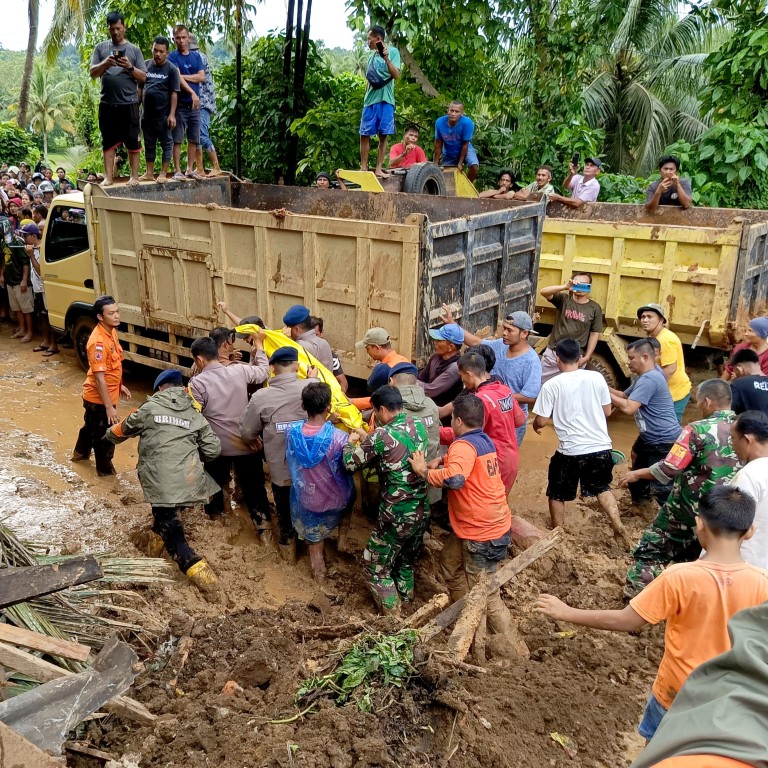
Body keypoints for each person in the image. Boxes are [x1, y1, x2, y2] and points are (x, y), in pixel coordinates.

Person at [538, 485, 768, 742]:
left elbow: (627, 620)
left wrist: (567, 612)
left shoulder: (678, 577)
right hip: (728, 699)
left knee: (657, 753)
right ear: (749, 532)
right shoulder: (762, 582)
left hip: (676, 692)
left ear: (699, 525)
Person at [409, 392, 529, 658]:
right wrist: (442, 460)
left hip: (481, 534)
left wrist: (423, 471)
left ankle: (517, 651)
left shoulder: (463, 447)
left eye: (451, 419)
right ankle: (466, 616)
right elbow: (463, 465)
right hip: (488, 525)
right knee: (449, 563)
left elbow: (456, 480)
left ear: (459, 421)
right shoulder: (482, 441)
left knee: (486, 594)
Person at [105, 369, 221, 594]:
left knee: (176, 539)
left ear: (160, 388)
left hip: (160, 481)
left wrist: (107, 434)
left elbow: (120, 431)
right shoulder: (194, 413)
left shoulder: (148, 409)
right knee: (163, 520)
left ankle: (206, 580)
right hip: (190, 481)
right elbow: (214, 449)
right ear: (181, 387)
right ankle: (151, 554)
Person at [621, 379, 739, 597]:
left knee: (651, 550)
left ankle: (636, 603)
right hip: (729, 512)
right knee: (698, 559)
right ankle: (690, 601)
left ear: (707, 401)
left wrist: (637, 473)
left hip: (687, 510)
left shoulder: (696, 429)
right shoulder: (745, 430)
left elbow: (669, 467)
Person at [629, 601, 768, 768]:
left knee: (657, 743)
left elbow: (630, 618)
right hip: (722, 696)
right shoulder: (762, 580)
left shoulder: (678, 576)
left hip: (682, 689)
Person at [532, 338, 629, 543]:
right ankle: (617, 524)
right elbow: (607, 412)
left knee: (557, 493)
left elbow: (540, 420)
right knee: (603, 488)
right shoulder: (596, 378)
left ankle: (559, 533)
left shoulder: (551, 385)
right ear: (580, 358)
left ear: (557, 359)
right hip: (601, 447)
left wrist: (536, 426)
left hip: (570, 452)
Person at [342, 385, 429, 614]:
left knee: (375, 566)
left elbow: (351, 463)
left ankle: (395, 618)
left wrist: (351, 442)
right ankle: (409, 605)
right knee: (405, 564)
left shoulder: (381, 435)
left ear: (381, 410)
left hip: (396, 514)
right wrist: (369, 438)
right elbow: (395, 451)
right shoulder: (417, 425)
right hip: (420, 510)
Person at [240, 345, 319, 560]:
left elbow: (246, 433)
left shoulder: (261, 397)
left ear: (272, 368)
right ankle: (315, 552)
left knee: (284, 513)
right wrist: (313, 379)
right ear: (296, 365)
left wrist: (258, 439)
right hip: (312, 470)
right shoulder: (312, 386)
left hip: (281, 471)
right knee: (311, 510)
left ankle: (288, 554)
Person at [188, 335, 272, 533]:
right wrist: (259, 347)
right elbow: (264, 372)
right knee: (255, 491)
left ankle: (218, 527)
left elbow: (194, 418)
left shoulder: (197, 384)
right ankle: (264, 530)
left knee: (214, 489)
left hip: (217, 448)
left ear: (199, 360)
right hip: (248, 444)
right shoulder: (239, 370)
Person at [441, 306, 542, 445]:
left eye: (509, 330)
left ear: (524, 333)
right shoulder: (500, 345)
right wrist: (453, 325)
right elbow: (476, 342)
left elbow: (531, 397)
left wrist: (497, 397)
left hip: (510, 420)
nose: (504, 333)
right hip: (488, 415)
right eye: (504, 328)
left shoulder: (531, 361)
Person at [285, 381, 354, 578]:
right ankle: (342, 540)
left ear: (303, 406)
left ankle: (319, 576)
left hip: (308, 500)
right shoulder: (340, 438)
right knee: (351, 494)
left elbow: (310, 436)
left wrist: (327, 421)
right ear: (329, 407)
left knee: (314, 538)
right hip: (337, 499)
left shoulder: (291, 432)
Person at [611, 339, 683, 506]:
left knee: (662, 485)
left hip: (663, 440)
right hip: (649, 437)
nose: (628, 362)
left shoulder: (650, 379)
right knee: (636, 477)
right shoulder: (645, 376)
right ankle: (641, 509)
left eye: (631, 358)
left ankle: (667, 521)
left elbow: (629, 407)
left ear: (644, 357)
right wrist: (601, 386)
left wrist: (604, 394)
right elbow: (624, 396)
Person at [444, 349, 525, 495]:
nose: (461, 380)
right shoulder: (504, 390)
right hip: (511, 457)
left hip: (493, 461)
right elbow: (520, 420)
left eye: (461, 376)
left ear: (468, 374)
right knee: (501, 503)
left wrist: (436, 433)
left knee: (488, 507)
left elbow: (468, 434)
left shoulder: (479, 401)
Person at [71, 296, 131, 475]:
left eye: (117, 311)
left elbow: (113, 366)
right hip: (98, 399)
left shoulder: (111, 332)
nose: (116, 316)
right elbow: (99, 378)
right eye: (111, 313)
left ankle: (79, 454)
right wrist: (109, 408)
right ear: (100, 316)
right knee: (105, 437)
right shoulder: (98, 342)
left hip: (106, 394)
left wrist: (120, 385)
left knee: (90, 426)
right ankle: (106, 474)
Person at [89, 11, 147, 186]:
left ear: (124, 28)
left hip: (129, 104)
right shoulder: (100, 48)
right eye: (112, 28)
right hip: (107, 104)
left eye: (118, 28)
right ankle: (108, 177)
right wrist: (106, 63)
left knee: (133, 141)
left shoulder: (134, 50)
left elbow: (144, 77)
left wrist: (129, 67)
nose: (115, 32)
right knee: (108, 141)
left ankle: (134, 176)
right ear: (108, 28)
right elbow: (93, 73)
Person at [539, 273, 604, 383]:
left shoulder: (595, 308)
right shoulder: (564, 300)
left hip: (575, 358)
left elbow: (594, 333)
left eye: (584, 285)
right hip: (554, 355)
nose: (580, 288)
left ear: (589, 287)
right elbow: (543, 292)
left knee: (570, 391)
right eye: (577, 284)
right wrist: (565, 287)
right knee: (543, 387)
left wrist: (587, 356)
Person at [638, 303, 692, 423]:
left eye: (649, 317)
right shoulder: (658, 337)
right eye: (643, 317)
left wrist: (653, 389)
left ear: (661, 320)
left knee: (669, 430)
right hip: (671, 391)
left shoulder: (665, 339)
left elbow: (670, 369)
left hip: (675, 394)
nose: (645, 320)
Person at [359, 25, 401, 178]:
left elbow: (396, 75)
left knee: (383, 135)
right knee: (364, 134)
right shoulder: (370, 56)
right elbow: (369, 80)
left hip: (386, 100)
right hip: (370, 101)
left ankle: (378, 168)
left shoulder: (394, 52)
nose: (367, 42)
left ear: (378, 39)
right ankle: (363, 168)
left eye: (369, 39)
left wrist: (386, 58)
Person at [728, 411, 768, 570]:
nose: (731, 445)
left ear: (747, 440)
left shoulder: (750, 475)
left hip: (747, 565)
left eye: (732, 438)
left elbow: (730, 526)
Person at [137, 36, 180, 183]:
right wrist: (136, 108)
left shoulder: (172, 70)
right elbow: (140, 88)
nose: (158, 54)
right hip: (147, 115)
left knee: (166, 143)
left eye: (161, 51)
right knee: (149, 144)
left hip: (163, 115)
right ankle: (149, 172)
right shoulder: (145, 65)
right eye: (155, 50)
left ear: (167, 53)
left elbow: (174, 93)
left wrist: (172, 115)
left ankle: (163, 173)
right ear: (152, 49)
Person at [168, 25, 204, 181]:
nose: (181, 41)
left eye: (184, 37)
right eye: (178, 38)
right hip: (180, 104)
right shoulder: (172, 57)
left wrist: (182, 76)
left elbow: (201, 77)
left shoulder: (196, 57)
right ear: (174, 39)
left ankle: (189, 169)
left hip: (194, 106)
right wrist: (192, 91)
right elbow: (176, 78)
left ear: (188, 38)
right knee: (177, 139)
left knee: (193, 139)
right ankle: (177, 170)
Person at [20, 222, 58, 356]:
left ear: (34, 235)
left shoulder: (42, 248)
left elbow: (41, 271)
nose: (24, 239)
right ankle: (46, 340)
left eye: (26, 236)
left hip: (45, 288)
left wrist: (30, 255)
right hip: (37, 288)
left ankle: (54, 344)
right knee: (42, 316)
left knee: (48, 316)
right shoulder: (32, 248)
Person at [189, 36, 223, 177]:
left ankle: (216, 166)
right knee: (194, 136)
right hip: (196, 103)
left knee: (201, 135)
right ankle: (200, 168)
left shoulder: (199, 57)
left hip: (203, 102)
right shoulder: (195, 56)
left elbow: (199, 79)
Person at [418, 323, 464, 408]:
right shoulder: (436, 357)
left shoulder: (455, 368)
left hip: (442, 413)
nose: (435, 342)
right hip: (428, 403)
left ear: (451, 347)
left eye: (439, 340)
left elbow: (430, 390)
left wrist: (408, 382)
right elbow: (421, 377)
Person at [0, 227, 33, 342]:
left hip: (20, 280)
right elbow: (4, 260)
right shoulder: (3, 242)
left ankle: (29, 332)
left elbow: (25, 263)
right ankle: (22, 329)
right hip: (10, 280)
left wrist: (24, 280)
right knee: (17, 308)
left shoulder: (17, 242)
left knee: (26, 309)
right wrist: (2, 275)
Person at [433, 101, 479, 182]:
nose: (453, 114)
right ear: (448, 111)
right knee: (445, 175)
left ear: (462, 113)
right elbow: (438, 143)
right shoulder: (440, 122)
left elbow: (465, 144)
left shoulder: (467, 123)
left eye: (457, 111)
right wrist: (435, 162)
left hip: (466, 148)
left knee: (474, 167)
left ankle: (466, 185)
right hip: (449, 151)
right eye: (451, 110)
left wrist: (460, 163)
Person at [282, 304, 334, 371]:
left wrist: (287, 339)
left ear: (296, 330)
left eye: (288, 328)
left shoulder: (297, 347)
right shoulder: (324, 343)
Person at [311, 316, 348, 392]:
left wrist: (339, 397)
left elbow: (343, 383)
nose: (313, 340)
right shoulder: (300, 351)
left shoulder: (331, 356)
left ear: (322, 333)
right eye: (310, 336)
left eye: (316, 335)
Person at [729, 348, 768, 415]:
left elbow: (728, 412)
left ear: (739, 368)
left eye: (735, 371)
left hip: (752, 425)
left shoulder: (739, 384)